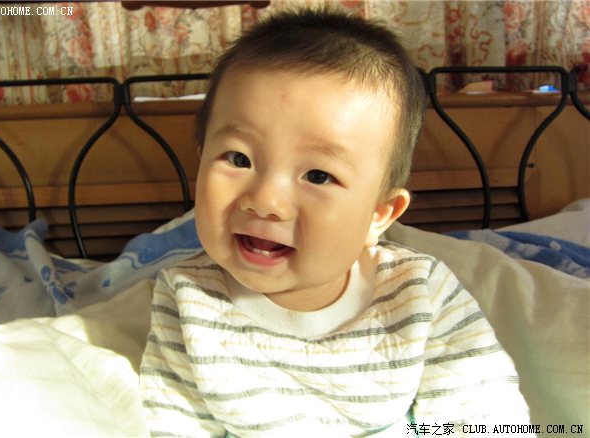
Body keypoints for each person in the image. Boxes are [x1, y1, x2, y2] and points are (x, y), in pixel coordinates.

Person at [139, 7, 529, 437]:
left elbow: (485, 416)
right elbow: (173, 425)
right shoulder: (188, 298)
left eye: (319, 176)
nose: (266, 201)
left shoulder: (419, 293)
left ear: (378, 215)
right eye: (238, 158)